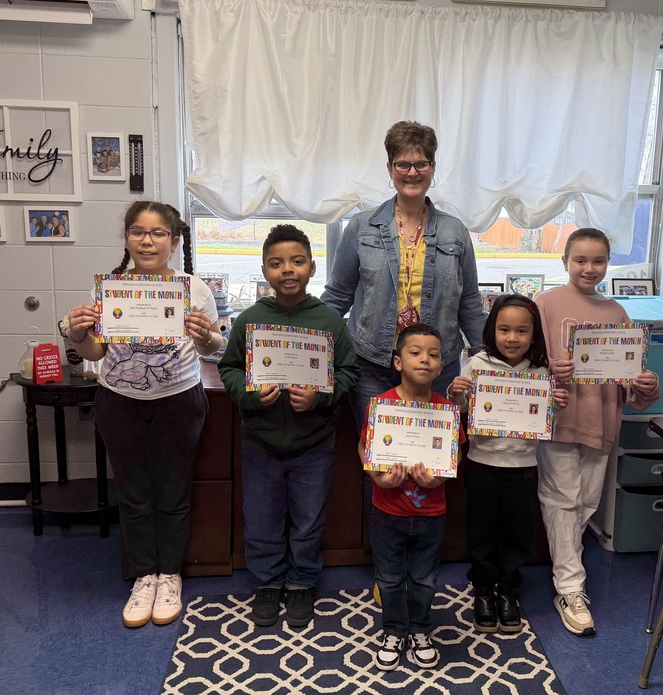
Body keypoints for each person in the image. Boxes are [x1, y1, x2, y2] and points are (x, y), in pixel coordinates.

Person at [65, 200, 223, 628]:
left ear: (173, 241)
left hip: (179, 399)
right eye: (138, 231)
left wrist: (206, 335)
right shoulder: (112, 288)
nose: (147, 240)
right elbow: (96, 351)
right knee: (134, 494)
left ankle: (169, 575)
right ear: (127, 238)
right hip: (120, 399)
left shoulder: (195, 288)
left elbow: (215, 350)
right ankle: (144, 576)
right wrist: (79, 335)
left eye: (157, 233)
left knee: (172, 493)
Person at [219, 224, 359, 629]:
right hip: (260, 441)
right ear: (265, 271)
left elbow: (348, 371)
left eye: (297, 262)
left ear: (312, 268)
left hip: (314, 443)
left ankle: (300, 582)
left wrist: (321, 396)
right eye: (277, 264)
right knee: (261, 517)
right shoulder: (250, 320)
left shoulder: (330, 321)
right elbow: (229, 368)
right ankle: (267, 583)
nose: (288, 270)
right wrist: (248, 394)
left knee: (309, 518)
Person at [534, 228, 661, 637]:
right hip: (558, 421)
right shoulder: (545, 305)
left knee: (585, 503)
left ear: (608, 264)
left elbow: (632, 382)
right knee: (561, 500)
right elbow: (524, 364)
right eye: (581, 260)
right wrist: (550, 371)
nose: (589, 268)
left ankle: (567, 573)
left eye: (598, 261)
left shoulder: (618, 315)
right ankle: (571, 587)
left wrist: (644, 385)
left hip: (602, 422)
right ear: (565, 262)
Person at [321, 120, 486, 427]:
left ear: (433, 168)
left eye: (421, 163)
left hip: (437, 369)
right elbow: (337, 298)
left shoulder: (455, 232)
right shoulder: (361, 227)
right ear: (390, 168)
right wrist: (307, 346)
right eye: (403, 164)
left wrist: (489, 363)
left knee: (432, 459)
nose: (412, 172)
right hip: (373, 367)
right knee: (380, 461)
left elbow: (470, 305)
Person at [447, 294, 569, 635]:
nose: (512, 338)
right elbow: (461, 408)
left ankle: (507, 590)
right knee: (482, 529)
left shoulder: (540, 371)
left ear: (534, 335)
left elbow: (547, 419)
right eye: (504, 329)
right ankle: (483, 590)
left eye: (521, 331)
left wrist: (557, 403)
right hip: (482, 463)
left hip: (523, 466)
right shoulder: (478, 364)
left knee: (517, 532)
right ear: (492, 330)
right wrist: (455, 391)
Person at [360, 323, 464, 671]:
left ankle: (419, 629)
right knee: (388, 577)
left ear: (441, 364)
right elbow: (364, 445)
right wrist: (376, 473)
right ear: (397, 361)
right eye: (415, 352)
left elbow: (455, 454)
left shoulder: (447, 410)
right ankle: (393, 630)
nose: (425, 360)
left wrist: (439, 477)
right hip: (386, 510)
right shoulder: (381, 405)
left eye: (434, 355)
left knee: (424, 577)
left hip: (432, 512)